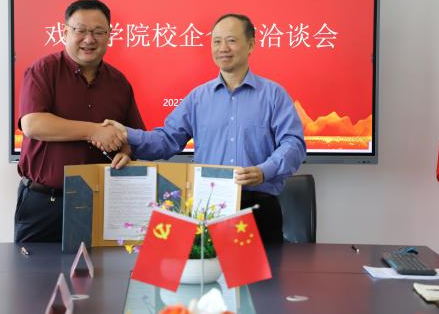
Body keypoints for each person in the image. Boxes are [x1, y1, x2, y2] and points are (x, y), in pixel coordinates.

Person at [102, 13, 306, 243]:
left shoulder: (274, 95)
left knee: (266, 269)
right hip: (209, 206)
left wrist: (264, 171)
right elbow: (167, 140)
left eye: (231, 40)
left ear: (251, 45)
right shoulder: (198, 98)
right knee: (207, 267)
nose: (223, 48)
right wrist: (126, 134)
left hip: (259, 207)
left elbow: (294, 144)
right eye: (216, 41)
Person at [15, 0, 145, 242]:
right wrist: (93, 131)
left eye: (98, 32)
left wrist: (126, 153)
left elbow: (132, 136)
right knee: (33, 267)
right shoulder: (43, 71)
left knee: (102, 267)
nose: (89, 39)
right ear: (65, 32)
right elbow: (33, 125)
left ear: (109, 35)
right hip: (44, 204)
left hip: (100, 202)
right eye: (81, 30)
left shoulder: (119, 83)